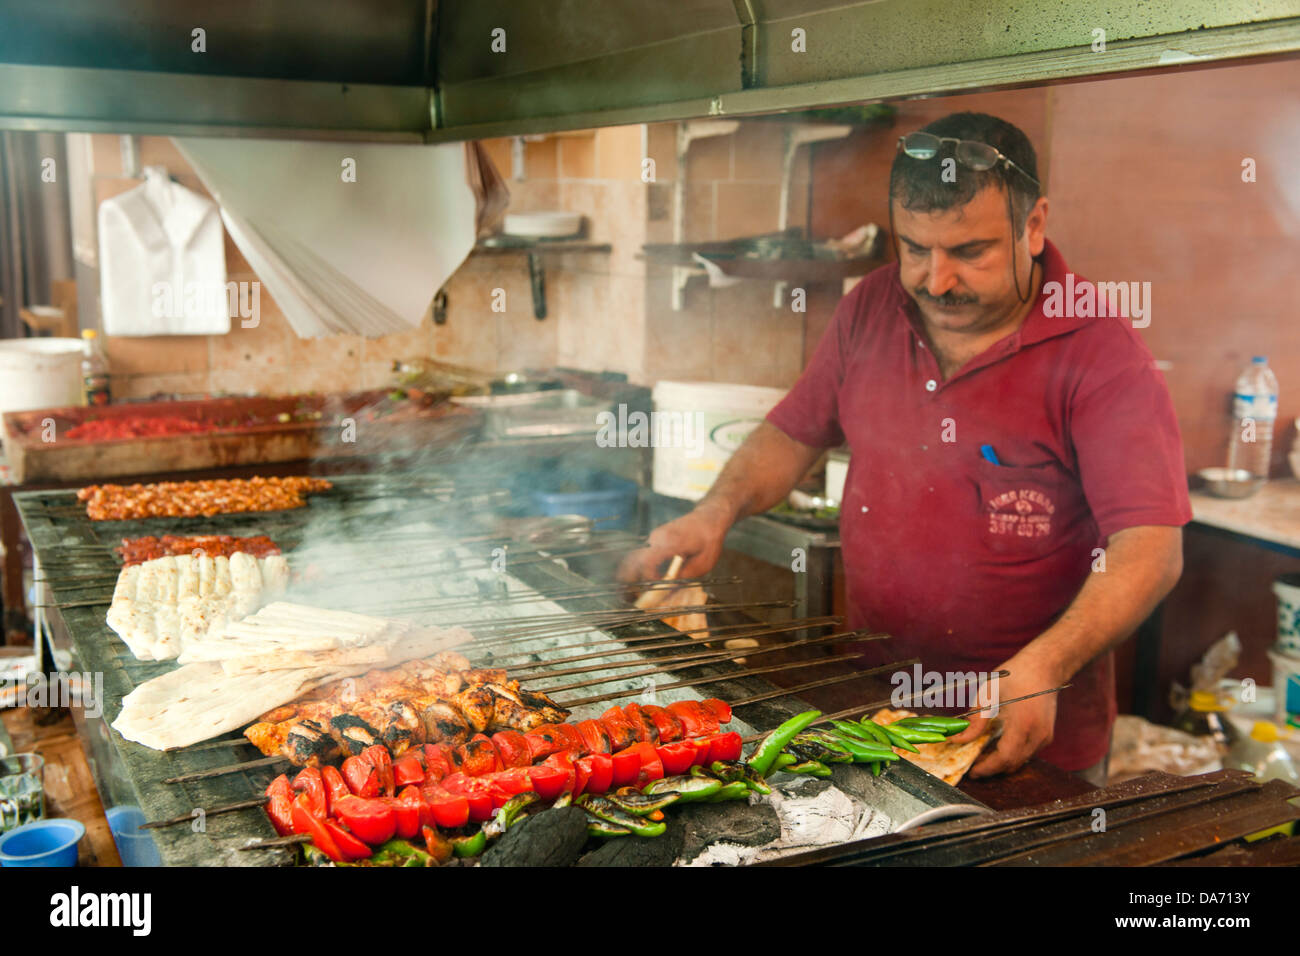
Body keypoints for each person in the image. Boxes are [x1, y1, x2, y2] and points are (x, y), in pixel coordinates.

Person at [619, 112, 1191, 784]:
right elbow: (792, 431)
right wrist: (713, 512)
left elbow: (1151, 551)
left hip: (1023, 738)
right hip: (873, 716)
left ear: (1033, 226)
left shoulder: (1099, 353)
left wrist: (1046, 665)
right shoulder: (870, 307)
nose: (936, 281)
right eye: (914, 248)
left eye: (969, 252)